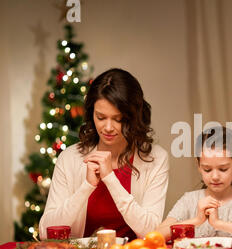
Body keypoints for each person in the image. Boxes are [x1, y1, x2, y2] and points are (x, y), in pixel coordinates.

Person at [39, 68, 169, 240]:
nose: (108, 128)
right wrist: (86, 186)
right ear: (91, 113)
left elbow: (150, 232)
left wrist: (110, 178)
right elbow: (46, 233)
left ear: (134, 117)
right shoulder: (70, 158)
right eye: (101, 117)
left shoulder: (156, 159)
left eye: (118, 119)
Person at [157, 126, 232, 240]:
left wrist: (218, 223)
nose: (215, 177)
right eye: (207, 169)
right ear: (199, 166)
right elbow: (157, 235)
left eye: (223, 169)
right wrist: (196, 220)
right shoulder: (189, 200)